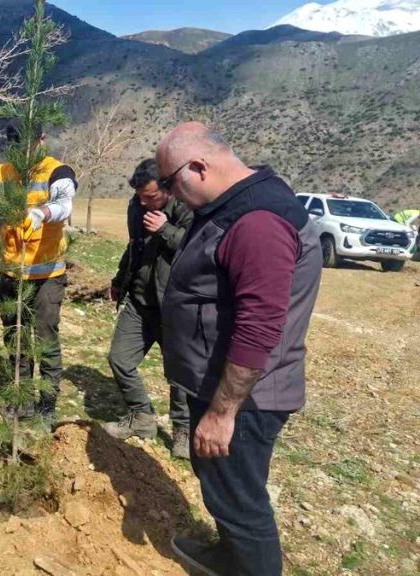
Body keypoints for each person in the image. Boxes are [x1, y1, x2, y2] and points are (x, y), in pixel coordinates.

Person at [157, 122, 322, 576]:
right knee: (226, 491)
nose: (170, 194)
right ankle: (230, 558)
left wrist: (222, 412)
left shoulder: (258, 221)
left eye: (171, 183)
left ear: (198, 167)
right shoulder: (235, 204)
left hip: (245, 397)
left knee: (242, 503)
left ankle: (248, 563)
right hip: (222, 384)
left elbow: (259, 325)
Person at [0, 124, 75, 424]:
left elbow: (64, 204)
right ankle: (20, 400)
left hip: (47, 275)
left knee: (46, 339)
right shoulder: (0, 173)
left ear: (41, 139)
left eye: (28, 144)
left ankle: (47, 405)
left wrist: (41, 213)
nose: (23, 152)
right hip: (11, 274)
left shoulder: (57, 171)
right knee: (16, 340)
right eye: (15, 144)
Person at [104, 159, 193, 459]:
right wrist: (120, 279)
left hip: (175, 305)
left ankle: (183, 430)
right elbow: (134, 246)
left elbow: (199, 251)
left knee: (179, 373)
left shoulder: (188, 206)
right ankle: (142, 417)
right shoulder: (136, 206)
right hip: (140, 302)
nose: (143, 202)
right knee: (119, 359)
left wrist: (166, 230)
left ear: (168, 188)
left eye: (150, 196)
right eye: (140, 196)